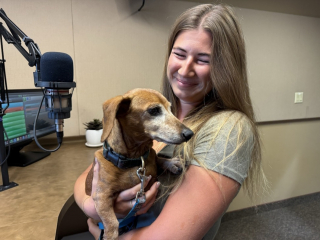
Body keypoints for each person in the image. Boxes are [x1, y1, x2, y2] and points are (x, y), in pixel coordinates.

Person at [74, 3, 267, 240]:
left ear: (224, 68)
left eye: (203, 59)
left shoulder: (229, 129)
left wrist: (103, 235)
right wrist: (94, 207)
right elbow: (89, 175)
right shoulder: (149, 116)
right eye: (180, 54)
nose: (185, 70)